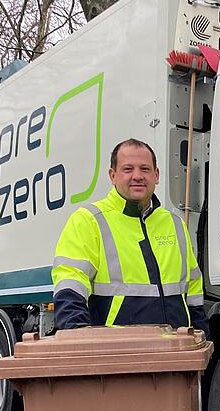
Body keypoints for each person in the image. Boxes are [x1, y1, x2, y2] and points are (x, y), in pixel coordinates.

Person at [51, 138, 208, 335]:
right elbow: (70, 282)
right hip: (116, 354)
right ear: (113, 175)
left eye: (145, 169)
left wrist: (201, 334)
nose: (137, 176)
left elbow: (193, 288)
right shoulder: (89, 221)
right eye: (128, 169)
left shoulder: (175, 223)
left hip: (174, 352)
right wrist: (77, 337)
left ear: (156, 175)